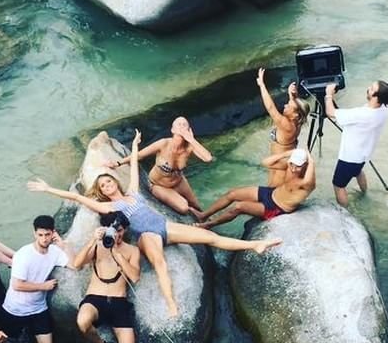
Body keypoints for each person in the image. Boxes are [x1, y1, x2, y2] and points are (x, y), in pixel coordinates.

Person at [29, 130, 281, 318]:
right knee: (160, 263)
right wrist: (48, 189)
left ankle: (255, 245)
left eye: (109, 181)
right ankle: (171, 303)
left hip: (164, 225)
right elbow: (77, 197)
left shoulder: (133, 192)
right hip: (147, 235)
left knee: (211, 238)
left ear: (115, 182)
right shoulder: (109, 207)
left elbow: (135, 165)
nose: (108, 185)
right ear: (102, 192)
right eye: (104, 185)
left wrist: (135, 145)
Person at [71, 211, 157, 343]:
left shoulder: (132, 250)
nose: (116, 235)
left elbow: (135, 277)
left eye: (119, 230)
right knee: (82, 321)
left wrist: (118, 254)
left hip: (119, 303)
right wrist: (93, 240)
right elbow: (76, 264)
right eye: (113, 230)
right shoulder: (98, 245)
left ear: (124, 230)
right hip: (95, 299)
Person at [0, 215, 74, 343]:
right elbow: (17, 285)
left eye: (47, 235)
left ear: (53, 233)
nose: (44, 239)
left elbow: (74, 265)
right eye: (40, 235)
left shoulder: (55, 252)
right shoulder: (23, 254)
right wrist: (43, 286)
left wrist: (64, 245)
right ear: (34, 234)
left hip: (38, 308)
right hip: (15, 309)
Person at [107, 116, 212, 217]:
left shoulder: (189, 147)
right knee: (184, 208)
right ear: (173, 130)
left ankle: (204, 220)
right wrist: (119, 163)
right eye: (178, 124)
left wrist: (191, 140)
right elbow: (140, 155)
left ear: (189, 130)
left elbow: (208, 158)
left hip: (179, 181)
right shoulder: (163, 143)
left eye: (184, 124)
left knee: (196, 205)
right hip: (158, 185)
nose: (181, 126)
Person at [195, 148, 317, 229]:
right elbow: (265, 162)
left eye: (298, 166)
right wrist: (287, 154)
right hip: (270, 194)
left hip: (276, 209)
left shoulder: (306, 183)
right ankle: (203, 215)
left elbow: (309, 181)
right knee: (232, 193)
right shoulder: (289, 166)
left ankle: (210, 224)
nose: (294, 169)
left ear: (306, 165)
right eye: (292, 164)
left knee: (238, 207)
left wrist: (311, 161)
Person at [324, 80, 388, 207]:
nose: (368, 88)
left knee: (338, 185)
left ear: (376, 97)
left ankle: (345, 212)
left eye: (371, 89)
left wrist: (328, 94)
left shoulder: (361, 114)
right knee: (358, 171)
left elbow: (330, 112)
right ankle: (364, 194)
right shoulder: (384, 109)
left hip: (349, 157)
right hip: (364, 155)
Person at [257, 67, 311, 187]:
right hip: (281, 161)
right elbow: (298, 108)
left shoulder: (286, 125)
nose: (285, 105)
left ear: (295, 114)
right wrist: (292, 95)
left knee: (273, 190)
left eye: (288, 106)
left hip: (281, 165)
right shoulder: (298, 121)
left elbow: (270, 108)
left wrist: (262, 85)